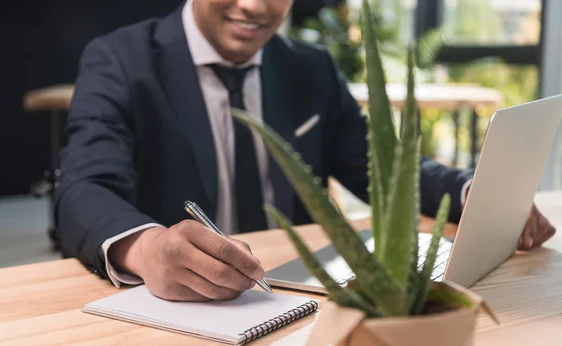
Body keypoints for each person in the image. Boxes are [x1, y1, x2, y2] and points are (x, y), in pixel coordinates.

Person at [54, 0, 556, 302]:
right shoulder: (119, 59)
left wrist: (475, 193)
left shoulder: (310, 69)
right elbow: (84, 189)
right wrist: (144, 249)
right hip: (180, 314)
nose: (253, 6)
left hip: (295, 298)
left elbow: (379, 168)